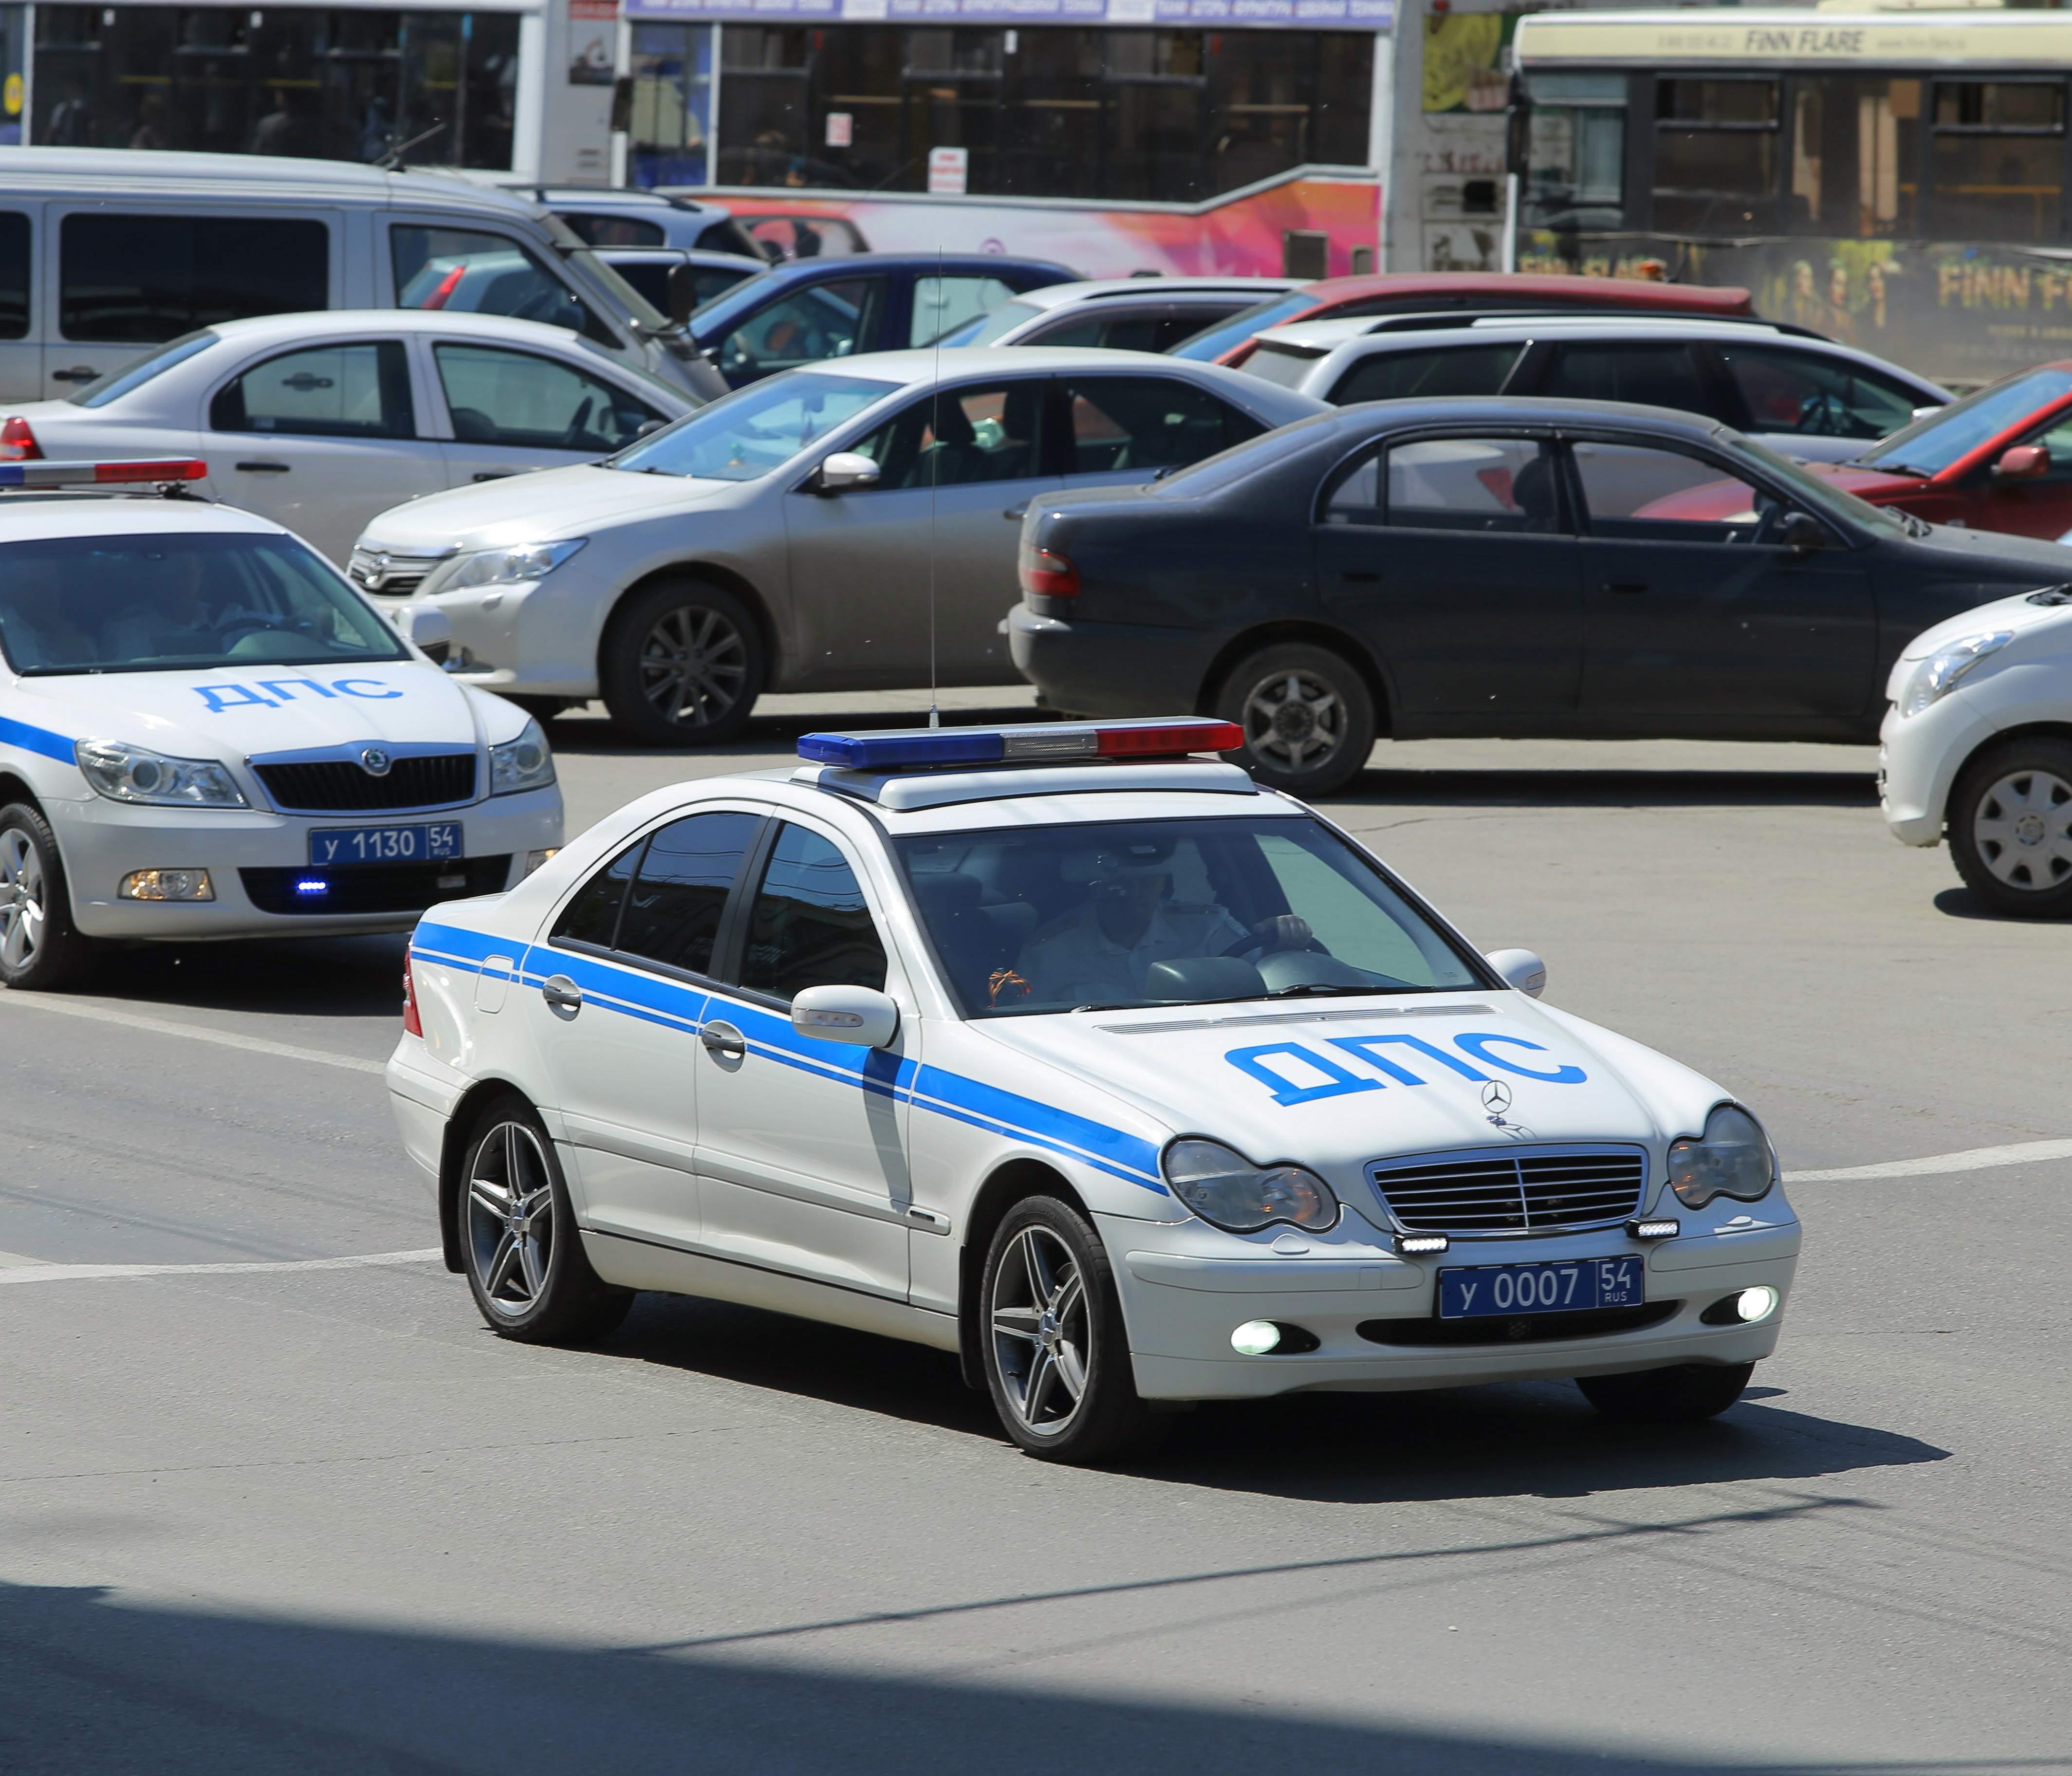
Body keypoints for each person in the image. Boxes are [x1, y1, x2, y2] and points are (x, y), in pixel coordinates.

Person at [1015, 840, 1306, 1007]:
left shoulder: (1209, 928)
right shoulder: (1049, 951)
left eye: (1146, 880)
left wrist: (1281, 946)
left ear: (1164, 883)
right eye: (1120, 884)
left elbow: (1262, 990)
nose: (1133, 893)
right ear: (1097, 889)